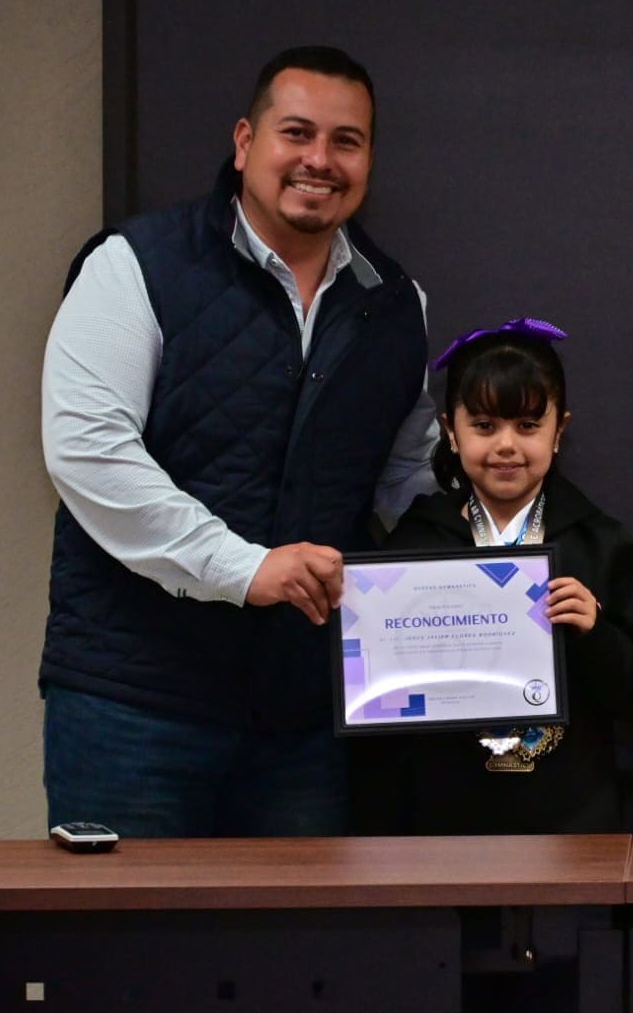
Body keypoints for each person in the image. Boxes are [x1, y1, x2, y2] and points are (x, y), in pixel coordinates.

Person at [39, 46, 439, 837]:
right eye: (297, 133)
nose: (319, 160)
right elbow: (88, 453)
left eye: (346, 141)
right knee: (130, 957)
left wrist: (504, 579)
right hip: (133, 704)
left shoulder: (397, 305)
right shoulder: (136, 265)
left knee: (296, 959)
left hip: (302, 720)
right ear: (245, 142)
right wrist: (245, 567)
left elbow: (405, 485)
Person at [349, 320, 633, 834]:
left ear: (559, 431)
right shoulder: (415, 545)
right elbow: (379, 699)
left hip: (572, 813)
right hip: (445, 813)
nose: (505, 445)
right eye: (483, 426)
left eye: (527, 425)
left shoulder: (598, 542)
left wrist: (596, 631)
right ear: (450, 431)